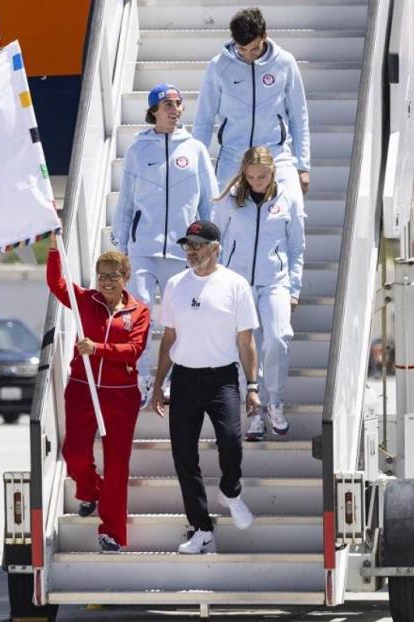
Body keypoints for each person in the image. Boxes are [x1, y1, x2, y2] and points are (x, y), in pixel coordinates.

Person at [152, 220, 260, 554]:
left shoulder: (235, 284)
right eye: (188, 245)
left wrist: (253, 385)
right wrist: (158, 384)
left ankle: (231, 490)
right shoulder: (174, 284)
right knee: (184, 456)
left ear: (216, 248)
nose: (191, 251)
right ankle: (201, 529)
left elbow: (246, 342)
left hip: (222, 378)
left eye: (198, 245)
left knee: (230, 441)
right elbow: (169, 337)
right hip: (184, 378)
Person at [111, 82, 218, 407]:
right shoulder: (137, 150)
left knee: (178, 318)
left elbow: (208, 204)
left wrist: (211, 246)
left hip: (182, 252)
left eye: (178, 103)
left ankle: (169, 380)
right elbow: (126, 203)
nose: (175, 109)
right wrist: (120, 249)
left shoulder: (195, 149)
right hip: (144, 248)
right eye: (168, 104)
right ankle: (141, 378)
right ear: (154, 111)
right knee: (140, 311)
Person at [47, 232, 150, 553]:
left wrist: (98, 348)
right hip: (82, 387)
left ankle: (112, 532)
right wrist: (53, 251)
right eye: (101, 276)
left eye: (113, 276)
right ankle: (90, 490)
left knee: (117, 464)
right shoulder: (85, 301)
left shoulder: (139, 312)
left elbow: (133, 350)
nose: (106, 282)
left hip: (121, 395)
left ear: (126, 277)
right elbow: (57, 284)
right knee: (74, 453)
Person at [212, 146, 305, 440]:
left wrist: (294, 287)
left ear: (273, 172)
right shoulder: (230, 200)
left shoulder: (287, 198)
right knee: (246, 347)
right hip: (237, 285)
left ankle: (274, 401)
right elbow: (217, 241)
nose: (257, 182)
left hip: (275, 282)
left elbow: (296, 247)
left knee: (277, 339)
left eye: (262, 176)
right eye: (251, 177)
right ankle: (253, 412)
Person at [192, 7, 310, 203]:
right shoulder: (218, 66)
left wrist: (303, 166)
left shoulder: (285, 63)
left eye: (254, 48)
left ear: (265, 35)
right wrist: (196, 165)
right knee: (221, 217)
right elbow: (203, 119)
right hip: (232, 157)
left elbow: (299, 116)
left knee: (293, 207)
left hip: (276, 155)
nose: (248, 55)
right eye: (242, 49)